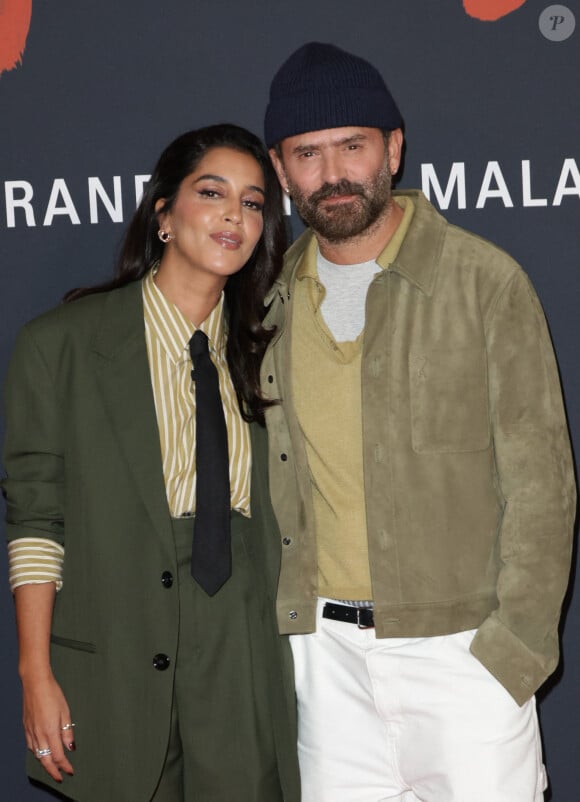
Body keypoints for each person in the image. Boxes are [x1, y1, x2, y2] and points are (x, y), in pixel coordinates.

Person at [260, 41, 576, 802]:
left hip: (465, 657)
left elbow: (543, 489)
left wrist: (511, 653)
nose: (333, 172)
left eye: (354, 145)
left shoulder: (483, 282)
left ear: (394, 149)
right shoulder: (266, 302)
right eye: (308, 152)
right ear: (279, 169)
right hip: (324, 664)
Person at [2, 123, 300, 802]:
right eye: (212, 192)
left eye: (253, 203)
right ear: (163, 214)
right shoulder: (62, 346)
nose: (234, 215)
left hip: (242, 635)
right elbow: (36, 518)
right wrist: (35, 671)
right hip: (116, 631)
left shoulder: (273, 352)